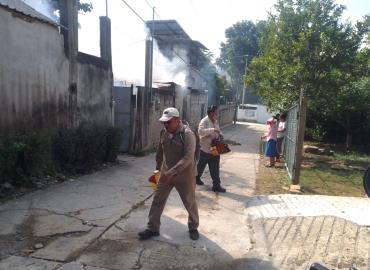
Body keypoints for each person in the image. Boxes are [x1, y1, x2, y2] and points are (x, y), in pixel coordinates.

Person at [138, 107, 200, 241]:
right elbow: (160, 152)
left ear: (177, 120)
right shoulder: (164, 132)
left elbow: (188, 158)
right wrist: (157, 170)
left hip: (185, 176)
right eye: (164, 122)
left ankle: (193, 226)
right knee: (157, 200)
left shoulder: (188, 134)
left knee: (189, 202)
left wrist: (171, 172)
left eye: (168, 122)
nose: (165, 125)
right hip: (166, 174)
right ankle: (152, 228)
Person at [196, 105, 226, 192]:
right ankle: (196, 178)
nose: (217, 113)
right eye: (216, 112)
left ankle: (216, 185)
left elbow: (219, 131)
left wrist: (221, 135)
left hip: (215, 148)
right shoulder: (204, 121)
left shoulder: (215, 121)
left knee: (215, 168)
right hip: (205, 149)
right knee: (200, 166)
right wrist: (212, 130)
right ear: (211, 112)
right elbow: (200, 132)